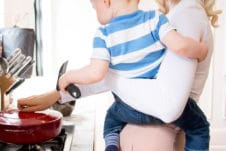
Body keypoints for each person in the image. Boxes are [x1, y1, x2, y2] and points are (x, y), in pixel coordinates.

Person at [17, 0, 220, 150]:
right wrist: (59, 94)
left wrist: (83, 76)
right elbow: (129, 74)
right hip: (152, 131)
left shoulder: (186, 15)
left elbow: (168, 107)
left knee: (112, 117)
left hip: (152, 137)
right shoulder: (157, 19)